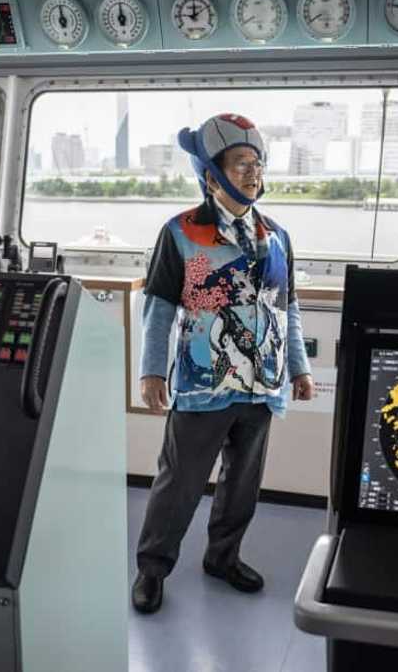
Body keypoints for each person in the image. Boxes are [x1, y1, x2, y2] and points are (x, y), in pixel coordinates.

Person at [131, 113, 315, 614]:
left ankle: (223, 557)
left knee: (241, 484)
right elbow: (160, 306)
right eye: (240, 164)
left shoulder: (277, 235)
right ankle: (152, 568)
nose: (253, 173)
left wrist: (298, 369)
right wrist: (150, 371)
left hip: (262, 384)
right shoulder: (181, 231)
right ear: (211, 176)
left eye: (257, 163)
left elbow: (288, 306)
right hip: (204, 381)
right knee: (180, 482)